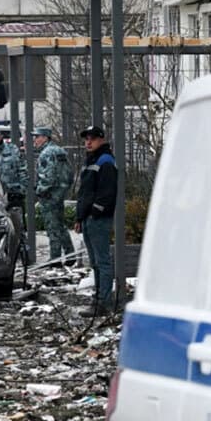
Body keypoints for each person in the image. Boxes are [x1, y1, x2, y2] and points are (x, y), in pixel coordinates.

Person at [74, 125, 116, 316]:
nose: (88, 142)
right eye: (86, 139)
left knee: (102, 261)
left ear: (101, 140)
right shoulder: (92, 160)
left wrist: (94, 212)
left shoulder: (105, 161)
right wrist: (80, 217)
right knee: (95, 262)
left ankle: (103, 302)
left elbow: (107, 192)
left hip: (98, 219)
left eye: (92, 139)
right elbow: (85, 192)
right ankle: (99, 298)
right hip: (89, 218)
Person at [32, 127, 75, 264]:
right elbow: (69, 173)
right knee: (60, 225)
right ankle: (70, 254)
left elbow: (48, 177)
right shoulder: (59, 151)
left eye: (37, 137)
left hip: (49, 195)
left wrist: (39, 190)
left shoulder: (46, 153)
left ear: (45, 138)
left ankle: (55, 258)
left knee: (52, 227)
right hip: (60, 193)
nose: (35, 140)